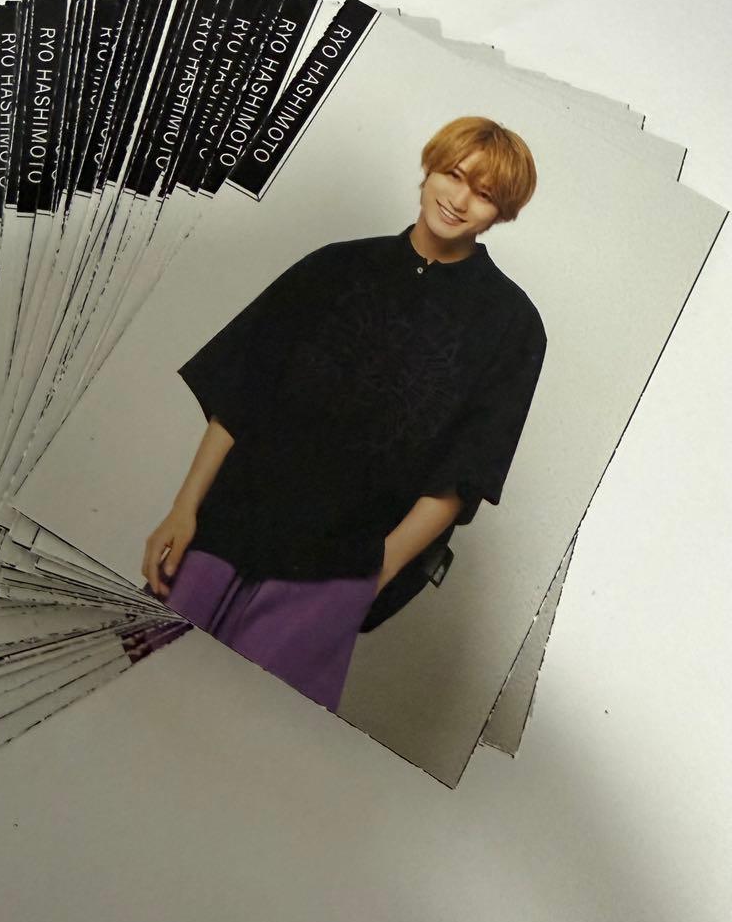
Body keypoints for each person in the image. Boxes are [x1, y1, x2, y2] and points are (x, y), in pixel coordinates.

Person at [141, 116, 547, 712]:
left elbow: (461, 478)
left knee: (247, 733)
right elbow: (242, 393)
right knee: (136, 690)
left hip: (338, 566)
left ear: (501, 212)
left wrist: (372, 575)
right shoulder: (334, 266)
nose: (460, 200)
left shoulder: (512, 326)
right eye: (453, 175)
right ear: (429, 170)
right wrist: (183, 508)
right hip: (225, 527)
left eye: (484, 194)